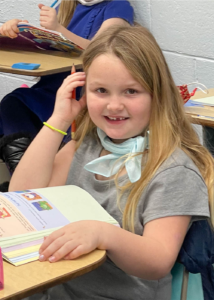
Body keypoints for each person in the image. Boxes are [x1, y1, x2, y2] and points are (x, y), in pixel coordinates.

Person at [10, 25, 214, 300]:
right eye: (101, 90)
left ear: (158, 95)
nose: (114, 105)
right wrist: (58, 120)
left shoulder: (173, 170)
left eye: (131, 91)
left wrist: (103, 234)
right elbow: (21, 196)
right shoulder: (85, 145)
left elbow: (157, 260)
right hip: (54, 288)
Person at [0, 0, 134, 185]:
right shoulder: (65, 5)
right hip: (51, 87)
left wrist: (59, 28)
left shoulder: (118, 6)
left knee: (71, 131)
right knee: (12, 104)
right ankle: (22, 175)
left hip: (80, 92)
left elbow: (101, 48)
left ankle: (38, 181)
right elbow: (46, 42)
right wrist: (19, 31)